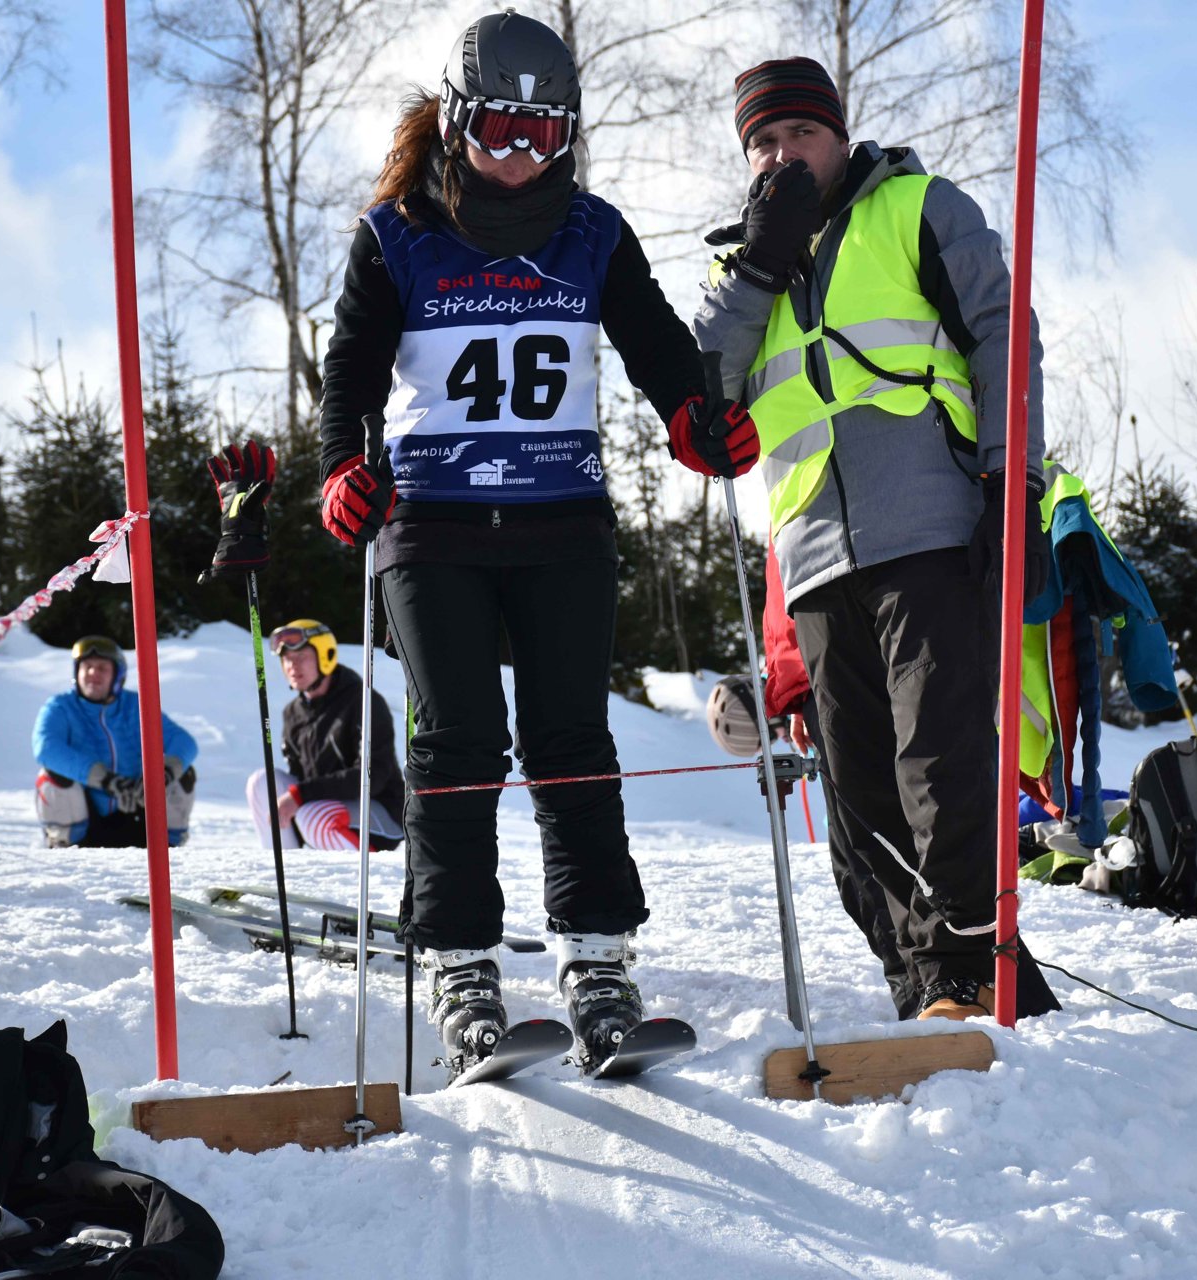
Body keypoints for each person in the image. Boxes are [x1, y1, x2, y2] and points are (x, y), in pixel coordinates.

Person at [316, 11, 756, 1073]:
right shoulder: (396, 236)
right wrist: (339, 471)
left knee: (571, 741)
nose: (519, 154)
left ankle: (598, 963)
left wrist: (692, 415)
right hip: (433, 524)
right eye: (499, 129)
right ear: (455, 121)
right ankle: (462, 965)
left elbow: (656, 342)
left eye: (543, 133)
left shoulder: (592, 232)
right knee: (458, 738)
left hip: (564, 520)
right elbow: (350, 373)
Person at [694, 57, 1060, 1022]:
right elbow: (701, 396)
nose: (783, 155)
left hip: (932, 525)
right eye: (763, 143)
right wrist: (762, 265)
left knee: (938, 761)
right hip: (812, 556)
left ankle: (968, 968)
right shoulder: (738, 270)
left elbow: (1002, 334)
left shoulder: (918, 207)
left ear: (839, 135)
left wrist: (1010, 481)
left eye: (801, 135)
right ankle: (928, 987)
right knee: (857, 799)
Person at [245, 619, 404, 852]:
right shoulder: (293, 713)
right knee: (262, 783)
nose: (292, 666)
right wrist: (299, 796)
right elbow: (300, 776)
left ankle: (358, 870)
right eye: (287, 659)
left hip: (379, 810)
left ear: (325, 655)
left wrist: (301, 795)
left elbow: (373, 777)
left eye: (301, 657)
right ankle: (286, 866)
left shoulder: (363, 701)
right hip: (325, 807)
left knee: (314, 817)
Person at [32, 635, 199, 849]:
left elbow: (184, 741)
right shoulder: (60, 706)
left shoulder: (136, 705)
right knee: (52, 774)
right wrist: (104, 779)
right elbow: (46, 748)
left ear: (117, 676)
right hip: (88, 818)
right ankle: (64, 843)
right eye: (87, 667)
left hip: (141, 811)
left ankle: (170, 846)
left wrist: (162, 775)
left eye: (102, 668)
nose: (93, 673)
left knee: (183, 771)